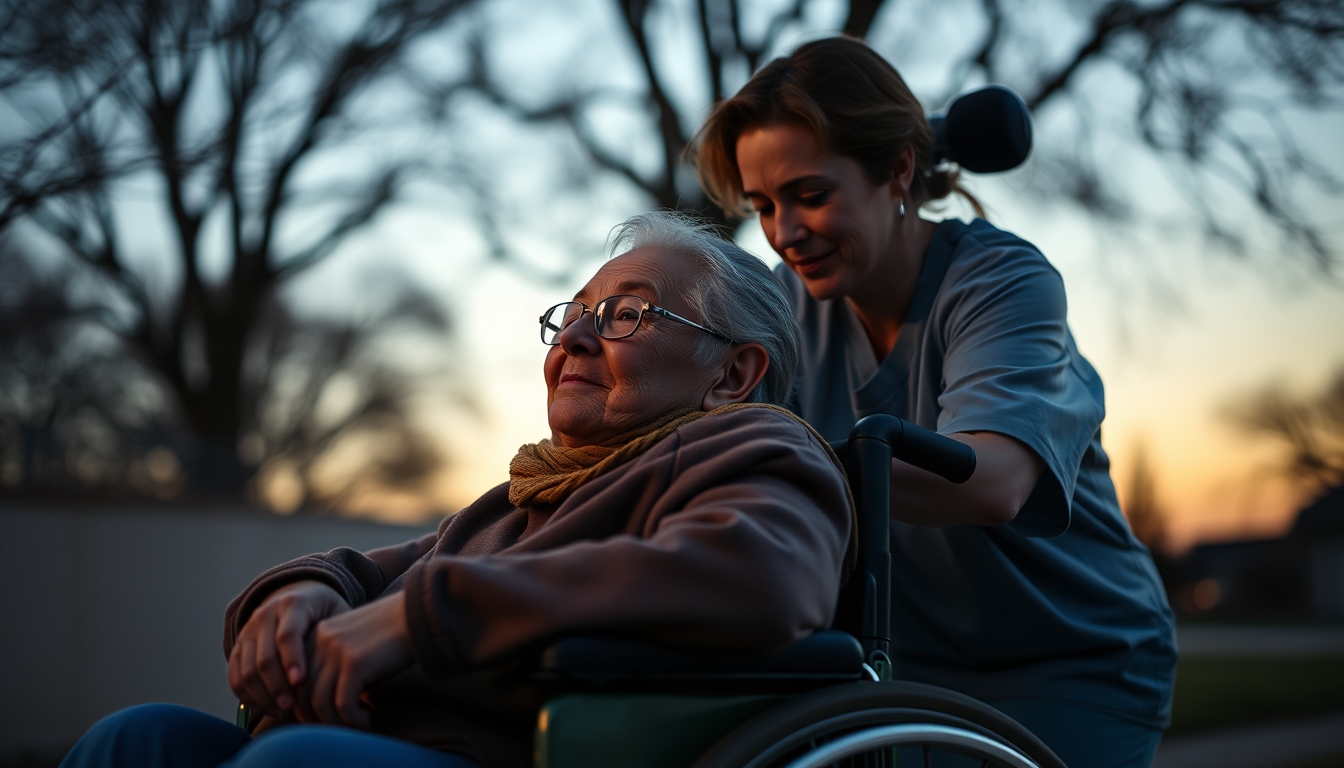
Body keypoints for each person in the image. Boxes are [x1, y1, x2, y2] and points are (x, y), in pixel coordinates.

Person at [59, 212, 853, 768]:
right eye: (572, 314)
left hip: (513, 751)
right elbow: (384, 570)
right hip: (397, 740)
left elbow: (758, 577)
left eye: (625, 316)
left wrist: (422, 617)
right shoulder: (529, 494)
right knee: (138, 739)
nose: (573, 338)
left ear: (733, 373)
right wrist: (303, 594)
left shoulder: (756, 445)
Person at [691, 36, 1177, 768]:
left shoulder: (1002, 283)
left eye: (811, 195)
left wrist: (770, 461)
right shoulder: (783, 308)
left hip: (1074, 658)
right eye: (762, 205)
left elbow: (995, 481)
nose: (784, 233)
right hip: (903, 660)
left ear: (898, 170)